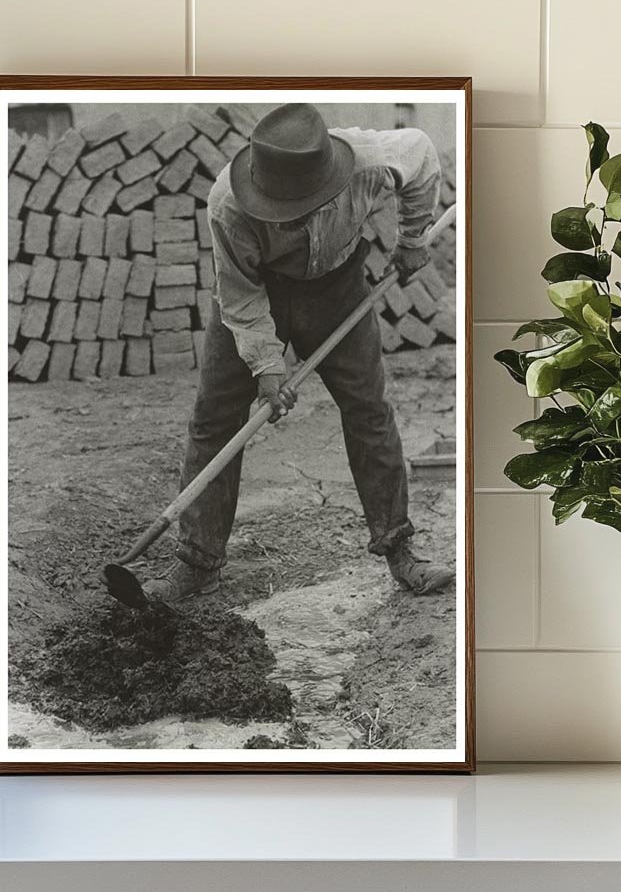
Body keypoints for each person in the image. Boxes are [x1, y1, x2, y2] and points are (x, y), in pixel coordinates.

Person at [147, 102, 454, 602]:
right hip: (255, 289)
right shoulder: (227, 201)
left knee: (368, 409)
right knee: (215, 418)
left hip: (337, 288)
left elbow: (421, 156)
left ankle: (400, 552)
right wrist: (267, 365)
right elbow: (240, 297)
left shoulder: (372, 162)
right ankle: (198, 563)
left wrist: (414, 237)